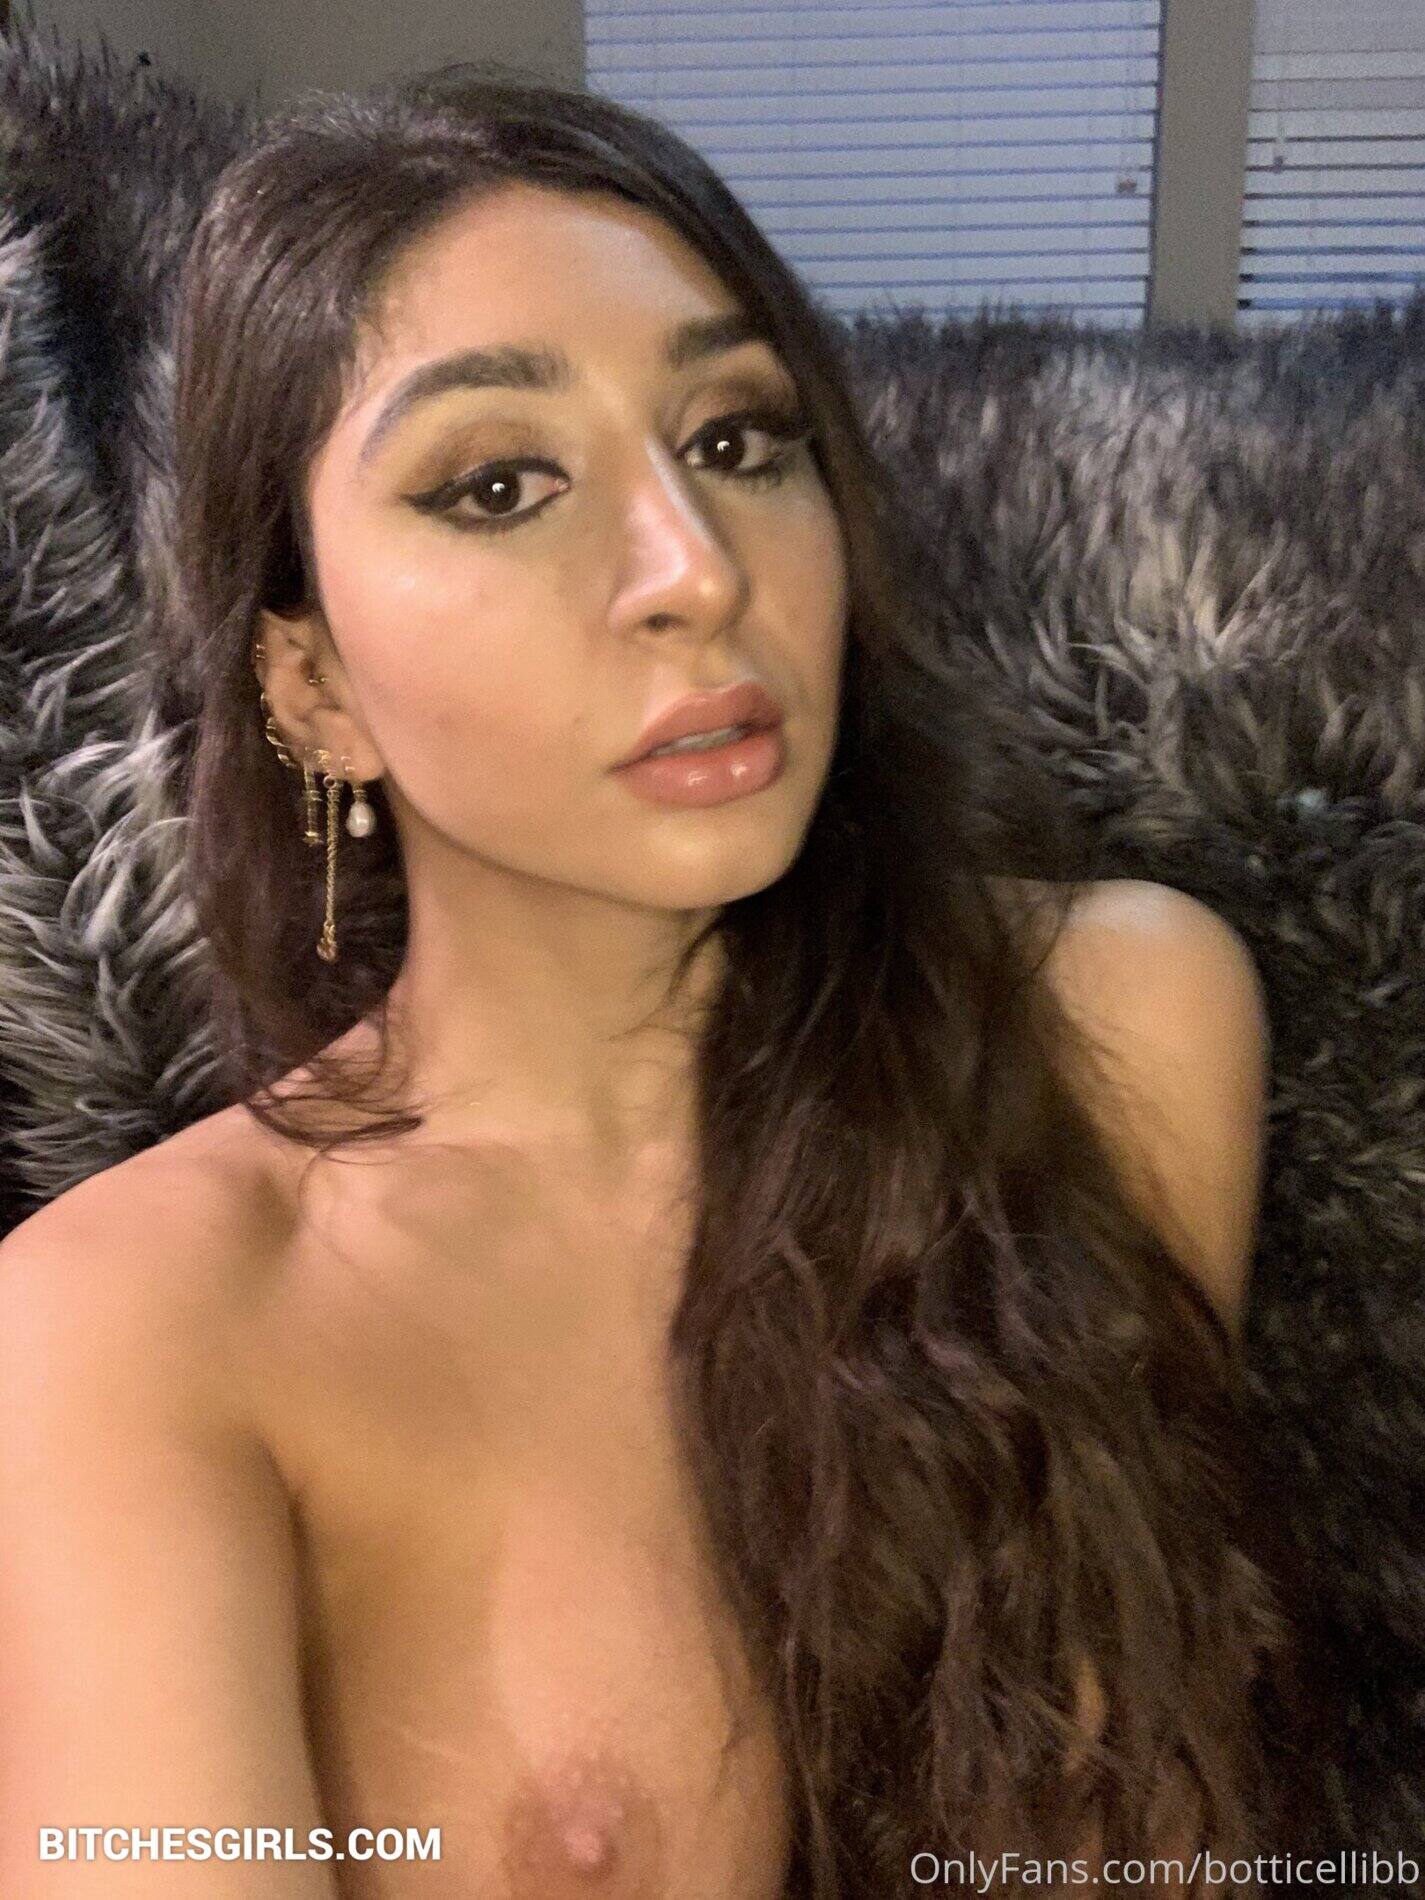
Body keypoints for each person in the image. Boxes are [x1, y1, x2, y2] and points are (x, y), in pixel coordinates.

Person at [0, 61, 1293, 1900]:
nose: (694, 572)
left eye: (740, 440)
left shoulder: (1116, 1022)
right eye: (499, 483)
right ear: (316, 689)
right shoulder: (128, 1329)